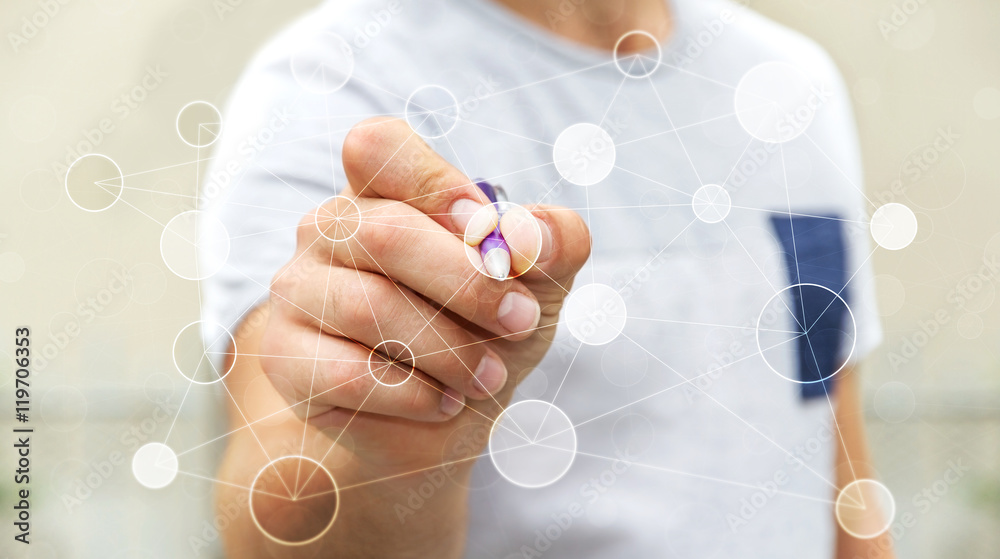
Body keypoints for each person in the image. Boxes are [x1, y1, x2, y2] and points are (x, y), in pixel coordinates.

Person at [200, 0, 896, 557]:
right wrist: (398, 462)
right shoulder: (324, 85)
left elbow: (831, 443)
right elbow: (278, 515)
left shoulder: (794, 83)